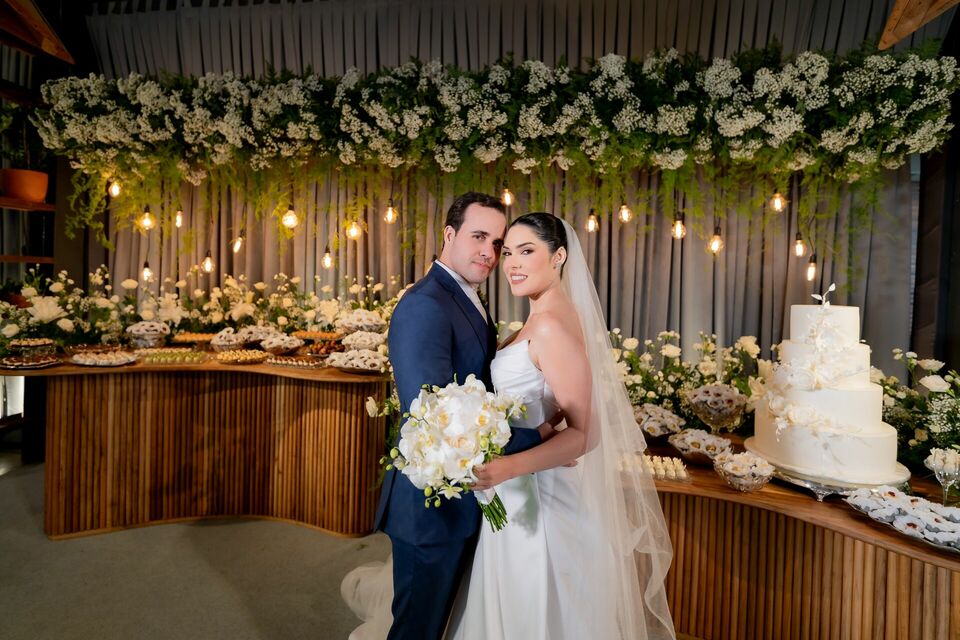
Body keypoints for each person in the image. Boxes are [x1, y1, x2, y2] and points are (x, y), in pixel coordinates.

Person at [445, 212, 675, 640]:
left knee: (534, 607)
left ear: (559, 256)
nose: (512, 264)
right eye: (507, 253)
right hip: (520, 485)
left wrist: (506, 468)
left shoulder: (550, 325)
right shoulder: (544, 317)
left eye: (526, 251)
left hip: (539, 496)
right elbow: (553, 403)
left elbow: (586, 433)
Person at [344, 193, 555, 640]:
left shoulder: (463, 295)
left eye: (497, 243)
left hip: (460, 494)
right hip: (430, 505)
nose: (489, 252)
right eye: (479, 237)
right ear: (449, 234)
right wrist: (537, 437)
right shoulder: (426, 303)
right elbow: (435, 417)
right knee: (417, 629)